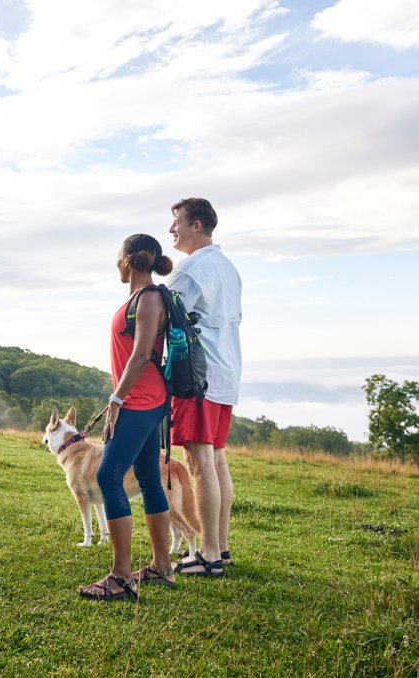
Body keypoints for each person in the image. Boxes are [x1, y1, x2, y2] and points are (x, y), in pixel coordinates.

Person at [78, 234, 177, 600]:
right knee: (150, 479)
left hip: (140, 402)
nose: (115, 265)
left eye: (117, 258)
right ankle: (162, 567)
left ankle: (120, 577)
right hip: (144, 399)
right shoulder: (139, 299)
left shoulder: (149, 298)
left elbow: (139, 356)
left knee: (107, 475)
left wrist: (116, 400)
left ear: (130, 261)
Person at [165, 198, 242, 577]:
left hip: (199, 376)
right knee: (216, 460)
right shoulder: (227, 268)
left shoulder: (193, 269)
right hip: (226, 373)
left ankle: (208, 554)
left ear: (197, 225)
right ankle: (221, 548)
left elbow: (163, 314)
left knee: (198, 462)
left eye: (176, 221)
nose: (171, 230)